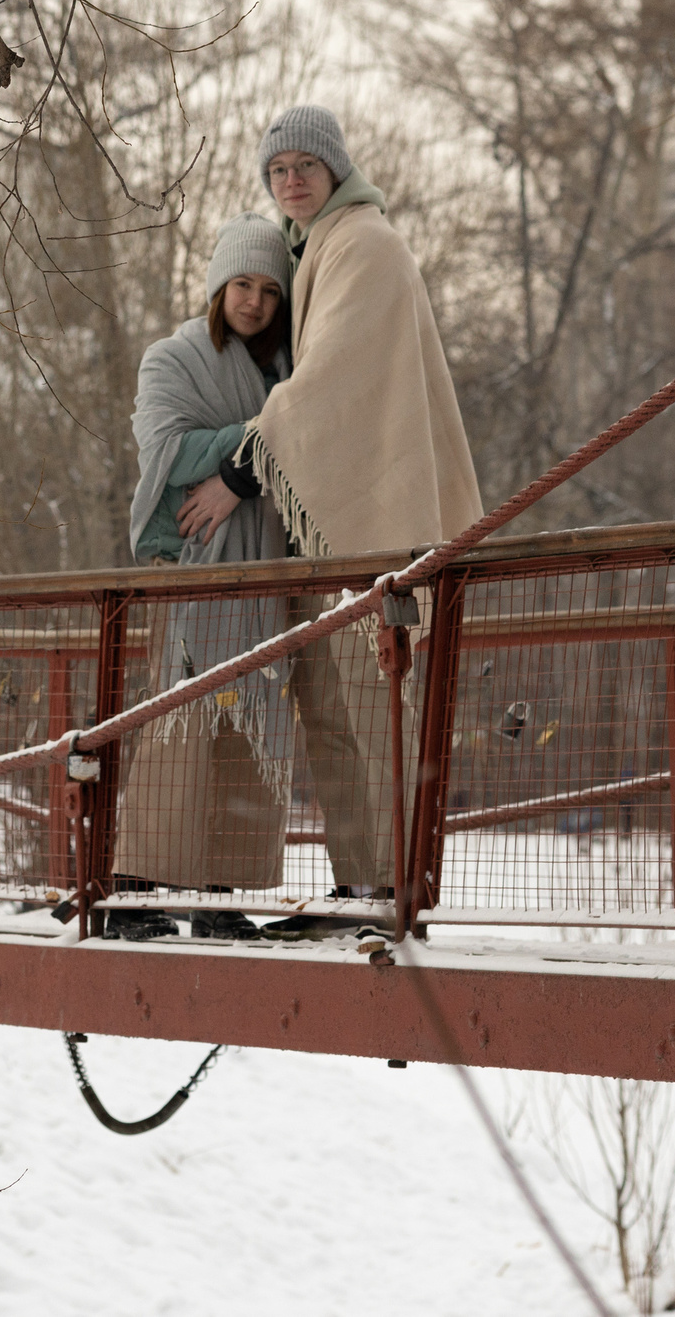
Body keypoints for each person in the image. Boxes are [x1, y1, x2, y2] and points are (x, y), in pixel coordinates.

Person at [235, 105, 483, 937]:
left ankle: (392, 890)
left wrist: (242, 461)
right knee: (335, 716)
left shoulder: (365, 244)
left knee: (375, 716)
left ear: (336, 169)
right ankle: (361, 886)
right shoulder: (318, 248)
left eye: (305, 165)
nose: (290, 180)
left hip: (378, 530)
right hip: (347, 532)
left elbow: (333, 384)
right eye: (277, 170)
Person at [106, 214, 299, 941]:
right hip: (195, 564)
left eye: (270, 291)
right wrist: (268, 435)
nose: (254, 301)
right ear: (218, 286)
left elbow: (307, 444)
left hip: (266, 563)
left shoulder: (287, 371)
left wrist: (241, 466)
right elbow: (167, 453)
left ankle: (219, 898)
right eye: (242, 284)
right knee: (180, 723)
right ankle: (132, 892)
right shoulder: (173, 358)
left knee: (251, 724)